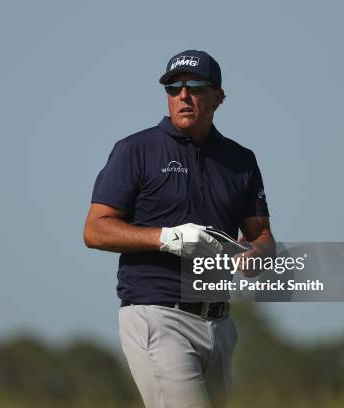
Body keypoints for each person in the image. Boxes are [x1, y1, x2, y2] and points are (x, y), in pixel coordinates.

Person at [83, 50, 275, 408]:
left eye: (196, 86)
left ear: (219, 96)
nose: (183, 95)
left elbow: (261, 236)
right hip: (157, 314)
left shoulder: (240, 160)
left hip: (220, 323)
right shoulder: (135, 150)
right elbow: (95, 230)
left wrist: (254, 256)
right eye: (174, 87)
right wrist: (168, 238)